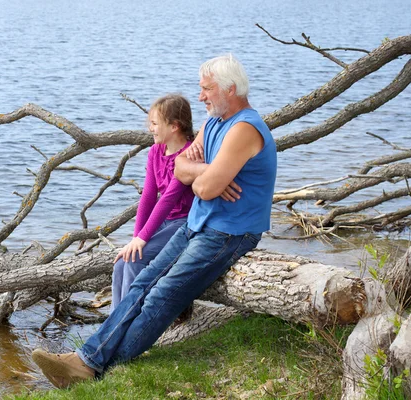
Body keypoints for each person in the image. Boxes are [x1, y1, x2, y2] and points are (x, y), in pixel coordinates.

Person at [32, 54, 277, 389]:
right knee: (141, 283)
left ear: (229, 88)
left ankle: (96, 368)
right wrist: (210, 170)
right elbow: (181, 170)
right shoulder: (212, 124)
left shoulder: (244, 129)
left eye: (207, 89)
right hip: (198, 224)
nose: (201, 96)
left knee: (162, 295)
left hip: (229, 233)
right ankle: (86, 362)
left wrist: (203, 175)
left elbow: (203, 189)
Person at [111, 94, 195, 311]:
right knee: (122, 263)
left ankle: (128, 325)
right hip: (165, 221)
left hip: (184, 222)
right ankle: (113, 324)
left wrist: (142, 239)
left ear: (175, 126)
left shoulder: (190, 155)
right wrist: (136, 239)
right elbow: (148, 197)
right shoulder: (155, 151)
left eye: (155, 123)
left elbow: (168, 199)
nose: (151, 128)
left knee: (133, 262)